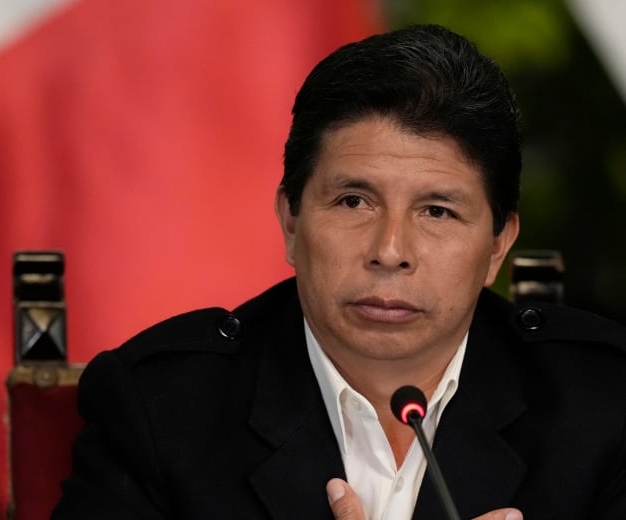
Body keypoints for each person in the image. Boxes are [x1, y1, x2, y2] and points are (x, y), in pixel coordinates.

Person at [52, 24, 626, 520]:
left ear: (498, 244)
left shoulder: (602, 405)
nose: (391, 250)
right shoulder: (163, 409)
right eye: (354, 201)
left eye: (437, 211)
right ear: (292, 222)